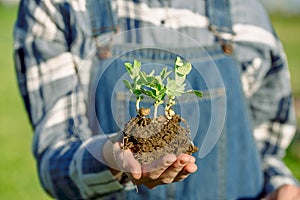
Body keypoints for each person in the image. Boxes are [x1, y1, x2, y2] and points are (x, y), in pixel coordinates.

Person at [13, 0, 300, 199]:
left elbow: (264, 150)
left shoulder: (247, 14)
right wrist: (110, 159)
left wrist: (282, 187)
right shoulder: (61, 7)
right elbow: (55, 161)